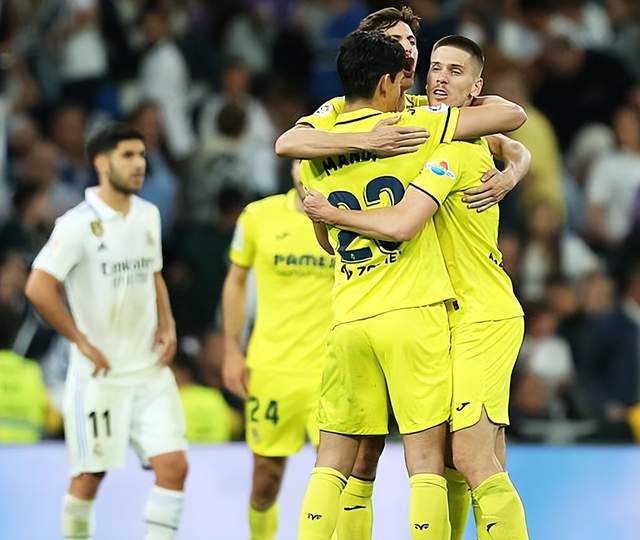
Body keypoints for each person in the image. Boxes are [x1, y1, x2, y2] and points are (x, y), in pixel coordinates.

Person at [296, 30, 525, 540]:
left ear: (476, 87)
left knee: (466, 455)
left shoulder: (445, 143)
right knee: (452, 459)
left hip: (479, 312)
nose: (439, 77)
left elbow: (511, 125)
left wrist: (514, 170)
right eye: (434, 67)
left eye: (455, 71)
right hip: (431, 312)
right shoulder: (419, 126)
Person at [24, 124, 188, 540]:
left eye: (142, 155)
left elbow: (154, 274)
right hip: (101, 376)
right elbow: (38, 287)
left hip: (149, 370)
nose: (139, 164)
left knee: (174, 467)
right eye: (127, 155)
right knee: (89, 477)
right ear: (101, 162)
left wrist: (167, 323)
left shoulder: (148, 214)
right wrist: (79, 339)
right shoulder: (76, 224)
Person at [221, 160, 335, 540]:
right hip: (272, 369)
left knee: (337, 478)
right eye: (302, 159)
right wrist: (232, 350)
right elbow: (235, 282)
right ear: (291, 166)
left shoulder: (350, 214)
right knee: (265, 480)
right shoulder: (258, 216)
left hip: (331, 372)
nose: (308, 168)